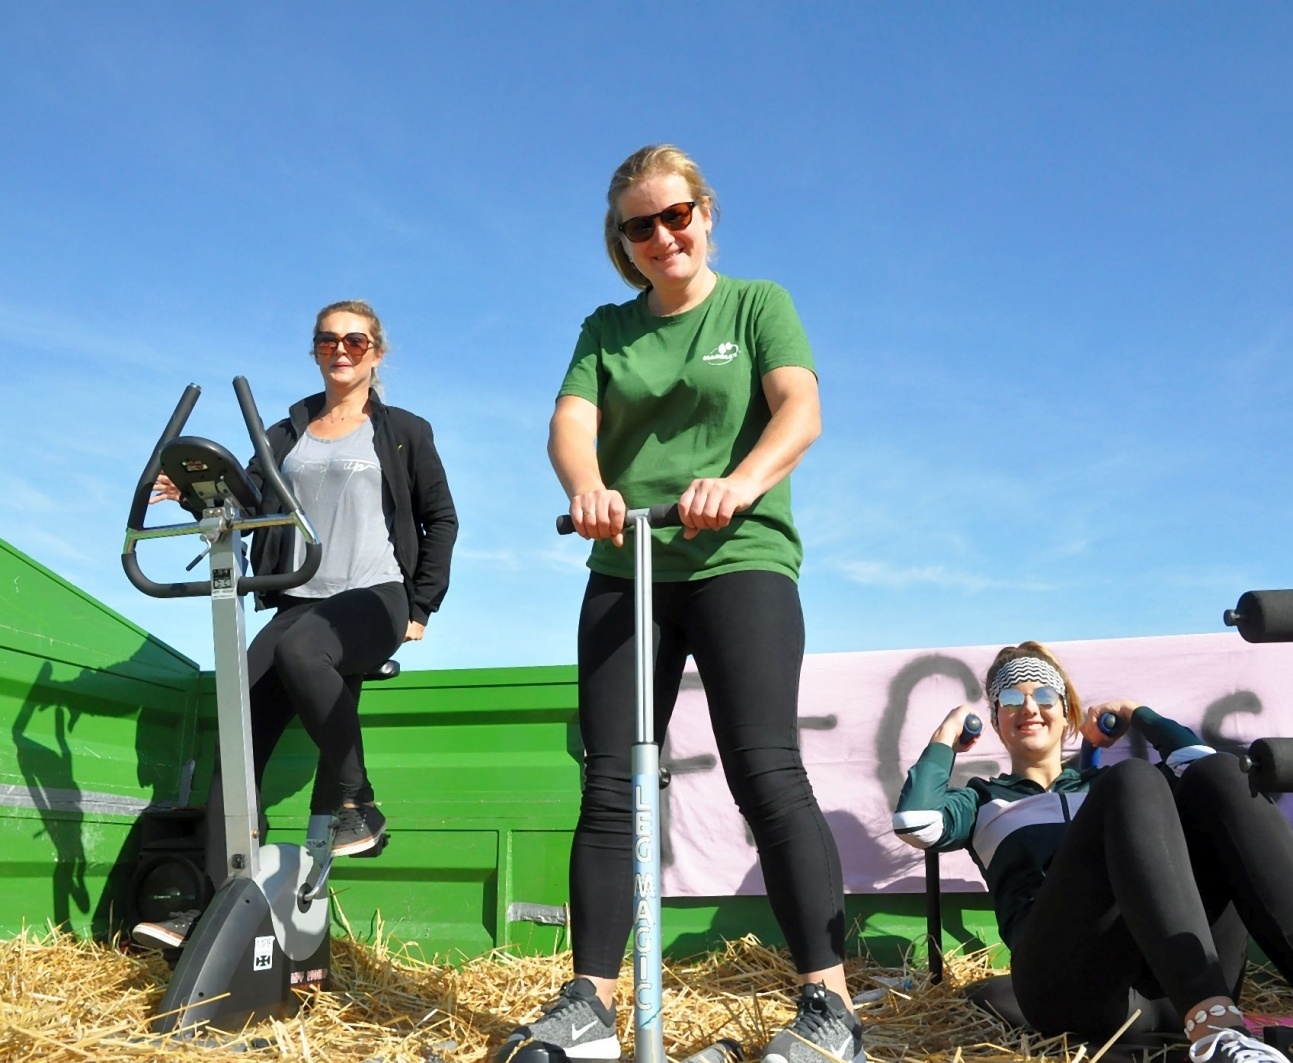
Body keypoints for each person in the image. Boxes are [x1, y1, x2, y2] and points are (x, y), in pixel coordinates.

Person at [505, 144, 856, 1063]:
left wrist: (738, 482)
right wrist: (588, 488)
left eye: (677, 214)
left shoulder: (757, 304)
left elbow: (799, 411)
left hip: (737, 554)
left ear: (705, 212)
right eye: (640, 226)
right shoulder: (606, 328)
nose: (664, 236)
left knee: (765, 770)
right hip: (630, 564)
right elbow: (571, 422)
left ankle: (829, 1006)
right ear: (621, 242)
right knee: (612, 781)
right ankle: (590, 1000)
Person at [892, 641, 1293, 1063]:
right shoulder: (982, 799)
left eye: (1043, 696)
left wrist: (1141, 715)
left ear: (1067, 713)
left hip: (1173, 982)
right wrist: (944, 737)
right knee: (1128, 781)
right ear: (994, 723)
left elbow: (1201, 763)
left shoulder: (1116, 787)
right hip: (1071, 989)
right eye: (1010, 698)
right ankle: (1215, 1031)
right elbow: (916, 822)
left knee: (1218, 776)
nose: (1028, 707)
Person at [132, 299, 458, 949]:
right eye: (328, 340)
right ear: (315, 349)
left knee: (307, 648)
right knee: (238, 727)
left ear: (377, 351)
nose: (341, 349)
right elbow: (247, 499)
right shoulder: (284, 433)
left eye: (356, 340)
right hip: (296, 596)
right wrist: (189, 486)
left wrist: (423, 603)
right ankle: (215, 908)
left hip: (374, 594)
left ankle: (357, 803)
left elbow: (439, 517)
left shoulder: (402, 430)